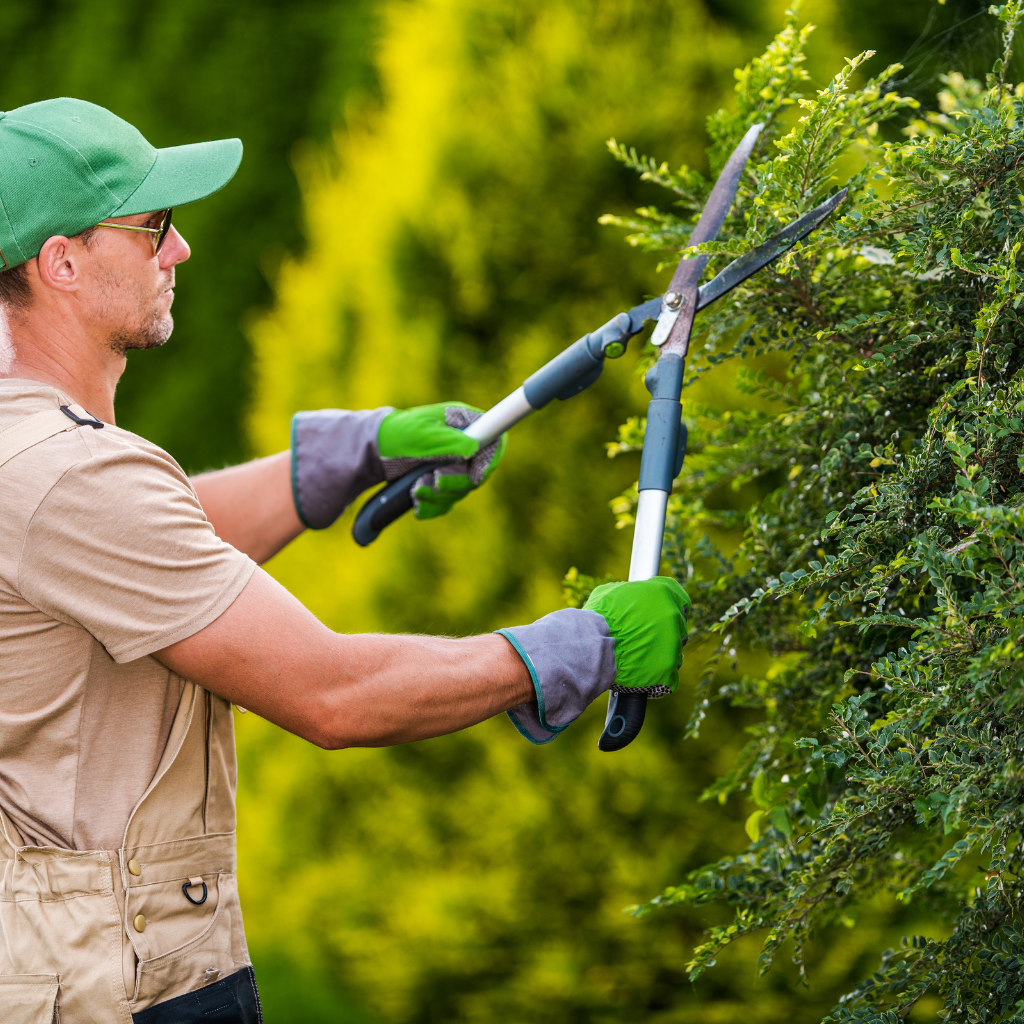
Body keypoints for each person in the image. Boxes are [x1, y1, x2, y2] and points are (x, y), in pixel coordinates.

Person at [0, 98, 689, 1024]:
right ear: (62, 262)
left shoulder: (33, 452)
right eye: (152, 226)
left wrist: (341, 458)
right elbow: (333, 695)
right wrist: (575, 650)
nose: (179, 252)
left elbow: (147, 554)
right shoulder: (68, 475)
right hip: (123, 993)